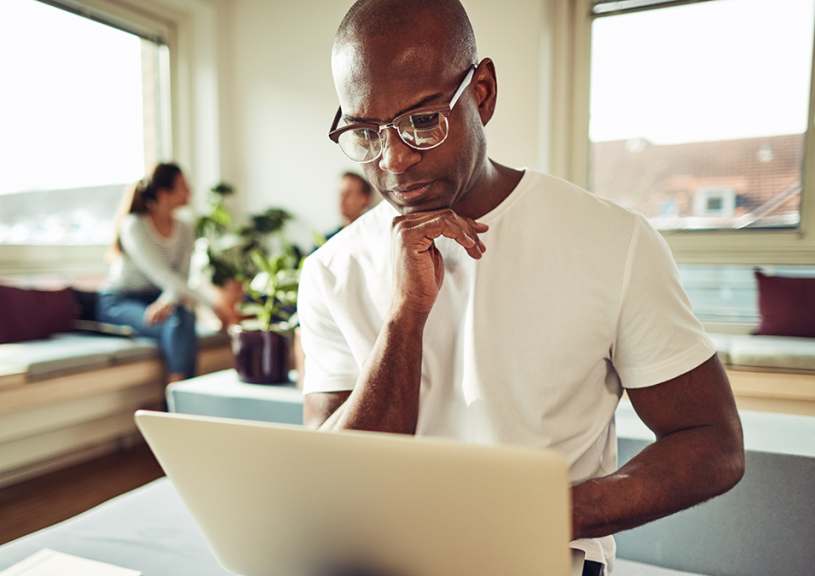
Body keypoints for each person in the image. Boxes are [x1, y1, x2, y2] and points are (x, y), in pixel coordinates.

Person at [298, 1, 745, 573]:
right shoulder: (331, 270)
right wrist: (405, 316)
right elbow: (327, 478)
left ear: (481, 92)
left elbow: (711, 440)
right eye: (366, 133)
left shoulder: (613, 241)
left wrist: (539, 514)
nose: (396, 159)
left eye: (422, 122)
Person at [99, 163, 237, 382]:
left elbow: (179, 277)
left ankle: (175, 395)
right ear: (164, 194)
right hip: (120, 302)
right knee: (175, 323)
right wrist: (212, 305)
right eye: (183, 185)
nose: (190, 191)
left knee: (183, 316)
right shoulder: (133, 225)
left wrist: (167, 300)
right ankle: (177, 399)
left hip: (157, 297)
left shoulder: (185, 228)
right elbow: (162, 274)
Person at [324, 171, 374, 241]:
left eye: (348, 194)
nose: (342, 199)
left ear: (365, 199)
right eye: (340, 193)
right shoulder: (326, 241)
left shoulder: (374, 235)